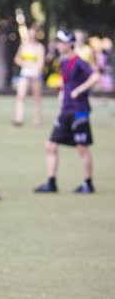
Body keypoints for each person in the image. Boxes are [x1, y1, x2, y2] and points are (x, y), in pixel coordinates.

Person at [34, 29, 99, 194]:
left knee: (81, 147)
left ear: (68, 44)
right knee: (50, 145)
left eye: (60, 42)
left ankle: (88, 183)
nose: (57, 45)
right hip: (66, 110)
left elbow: (95, 77)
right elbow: (65, 81)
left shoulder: (79, 61)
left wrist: (79, 90)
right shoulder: (63, 61)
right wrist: (63, 93)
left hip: (79, 111)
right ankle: (51, 182)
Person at [13, 24, 45, 127]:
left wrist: (36, 70)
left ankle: (37, 120)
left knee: (37, 98)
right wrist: (24, 64)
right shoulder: (23, 46)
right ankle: (19, 118)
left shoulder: (40, 47)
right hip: (25, 73)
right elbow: (17, 59)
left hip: (35, 74)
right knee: (20, 95)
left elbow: (41, 61)